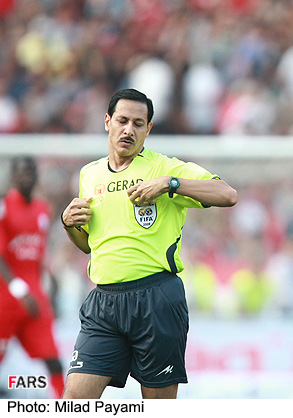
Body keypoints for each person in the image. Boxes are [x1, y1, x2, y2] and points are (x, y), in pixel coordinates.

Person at [60, 88, 237, 399]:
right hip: (104, 303)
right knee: (74, 401)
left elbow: (227, 194)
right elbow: (88, 245)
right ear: (107, 121)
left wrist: (171, 185)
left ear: (148, 129)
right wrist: (68, 223)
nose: (129, 130)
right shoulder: (90, 174)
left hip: (156, 300)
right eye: (122, 121)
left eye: (138, 123)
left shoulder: (164, 168)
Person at [0, 156, 65, 398]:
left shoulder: (42, 210)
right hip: (5, 297)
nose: (27, 175)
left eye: (31, 171)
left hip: (35, 299)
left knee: (53, 360)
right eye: (22, 171)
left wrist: (50, 284)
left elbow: (37, 256)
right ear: (13, 176)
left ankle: (66, 406)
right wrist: (18, 289)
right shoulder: (4, 207)